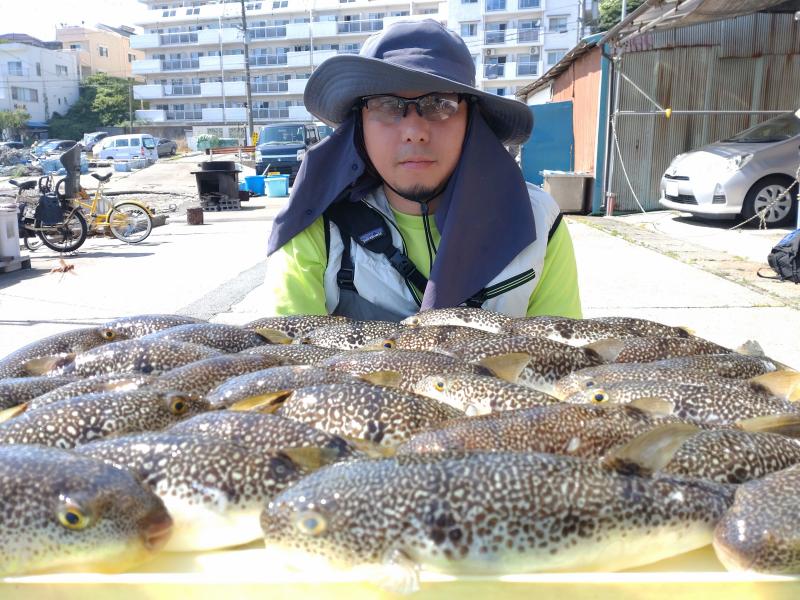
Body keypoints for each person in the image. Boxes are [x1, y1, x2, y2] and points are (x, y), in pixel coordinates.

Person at [264, 20, 581, 320]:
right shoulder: (316, 222)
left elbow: (564, 360)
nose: (414, 131)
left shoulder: (536, 220)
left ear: (472, 120)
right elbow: (288, 359)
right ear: (358, 124)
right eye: (387, 105)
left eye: (440, 104)